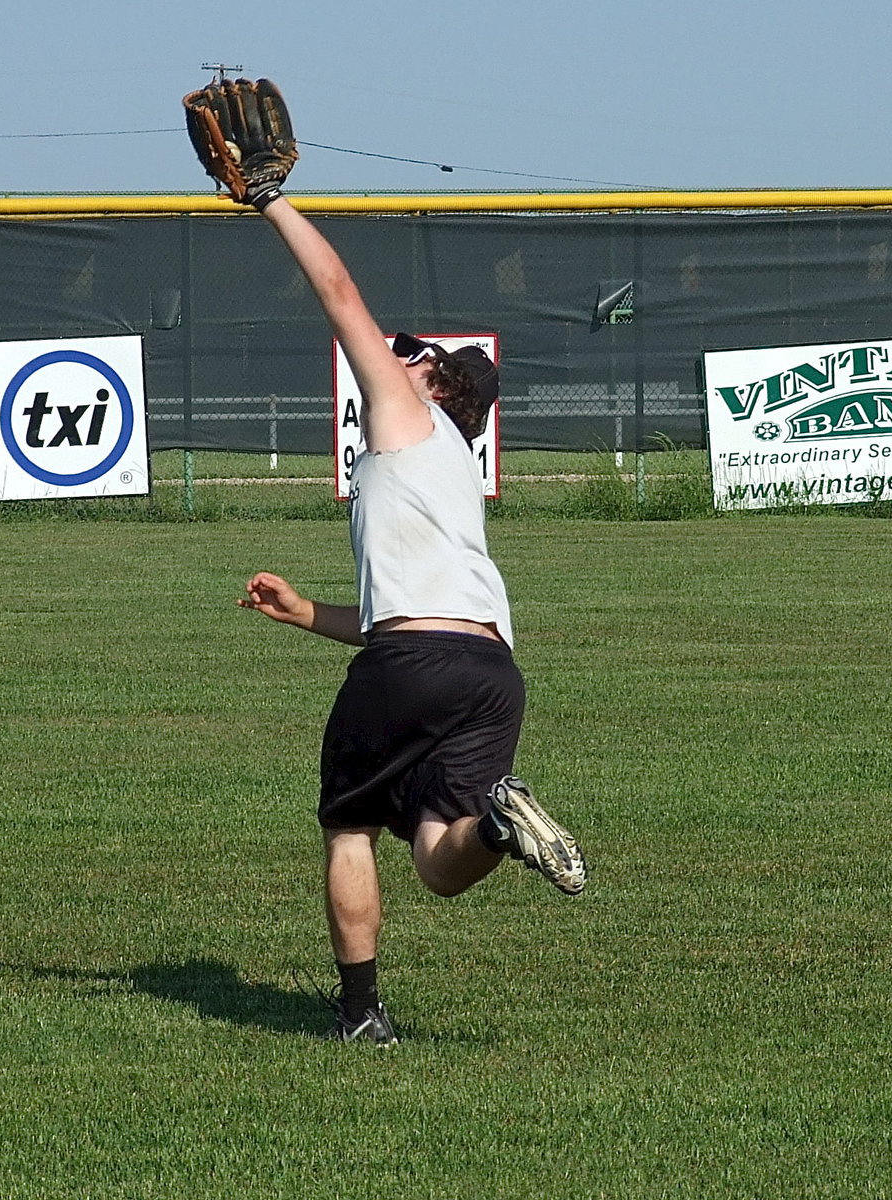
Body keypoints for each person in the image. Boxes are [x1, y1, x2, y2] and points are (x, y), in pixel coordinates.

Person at [239, 192, 587, 1045]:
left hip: (414, 661)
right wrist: (305, 613)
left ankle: (361, 1015)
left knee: (348, 827)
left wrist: (270, 202)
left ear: (433, 383)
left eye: (409, 361)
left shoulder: (406, 414)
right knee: (440, 860)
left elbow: (338, 292)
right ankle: (498, 823)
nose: (391, 365)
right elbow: (405, 616)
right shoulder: (451, 465)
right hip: (490, 672)